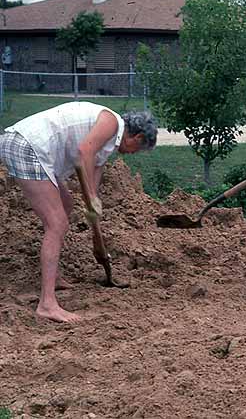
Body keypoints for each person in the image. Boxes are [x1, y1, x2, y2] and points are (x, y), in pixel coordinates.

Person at [0, 102, 158, 323]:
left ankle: (52, 277)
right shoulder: (111, 122)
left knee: (66, 205)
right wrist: (92, 198)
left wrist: (94, 215)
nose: (133, 154)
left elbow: (90, 182)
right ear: (138, 137)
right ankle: (47, 304)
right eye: (138, 149)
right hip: (26, 146)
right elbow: (83, 152)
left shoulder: (106, 146)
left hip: (32, 149)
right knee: (57, 224)